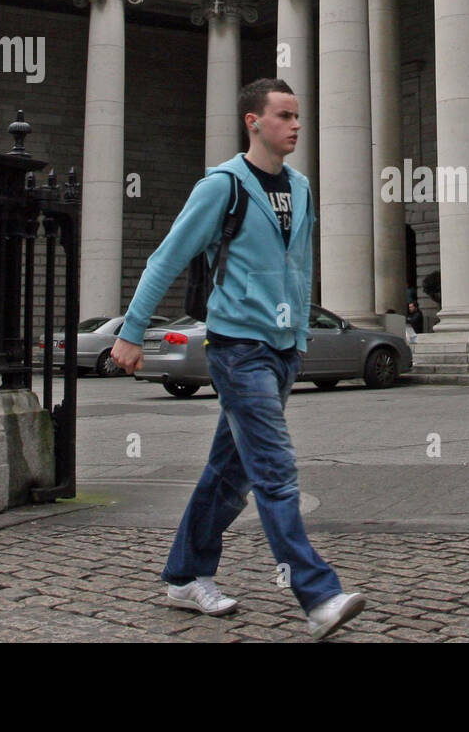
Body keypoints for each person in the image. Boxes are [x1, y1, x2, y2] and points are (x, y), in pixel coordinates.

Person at [110, 77, 365, 641]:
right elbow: (164, 259)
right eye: (284, 116)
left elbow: (300, 272)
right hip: (236, 348)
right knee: (274, 469)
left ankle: (183, 576)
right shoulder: (221, 186)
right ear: (253, 122)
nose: (296, 125)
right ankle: (318, 594)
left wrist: (298, 340)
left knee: (229, 474)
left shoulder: (300, 188)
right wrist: (129, 334)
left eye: (298, 116)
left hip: (280, 351)